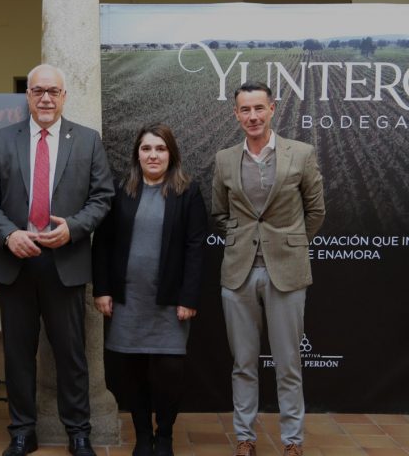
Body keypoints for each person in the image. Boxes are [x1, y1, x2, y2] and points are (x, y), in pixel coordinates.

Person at [0, 64, 114, 456]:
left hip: (64, 262)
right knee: (18, 355)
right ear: (28, 96)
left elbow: (103, 197)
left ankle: (79, 432)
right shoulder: (3, 139)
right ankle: (22, 431)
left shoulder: (87, 140)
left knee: (71, 355)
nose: (46, 98)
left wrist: (73, 228)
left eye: (53, 91)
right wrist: (9, 234)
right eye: (38, 91)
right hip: (15, 263)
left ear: (64, 96)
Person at [212, 81, 325, 456]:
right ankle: (245, 438)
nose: (253, 116)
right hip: (238, 274)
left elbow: (316, 211)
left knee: (288, 364)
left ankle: (292, 442)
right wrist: (242, 240)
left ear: (272, 109)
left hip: (287, 273)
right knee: (243, 363)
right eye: (245, 110)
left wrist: (289, 242)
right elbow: (220, 213)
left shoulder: (301, 153)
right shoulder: (225, 159)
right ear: (236, 114)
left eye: (259, 108)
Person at [92, 123, 207, 456]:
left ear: (171, 154)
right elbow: (103, 244)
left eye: (160, 148)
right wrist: (102, 289)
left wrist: (188, 297)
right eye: (146, 149)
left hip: (170, 301)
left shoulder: (188, 192)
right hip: (128, 299)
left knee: (169, 372)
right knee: (132, 372)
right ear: (137, 155)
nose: (153, 155)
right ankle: (143, 436)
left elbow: (196, 248)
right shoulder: (120, 191)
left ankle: (165, 435)